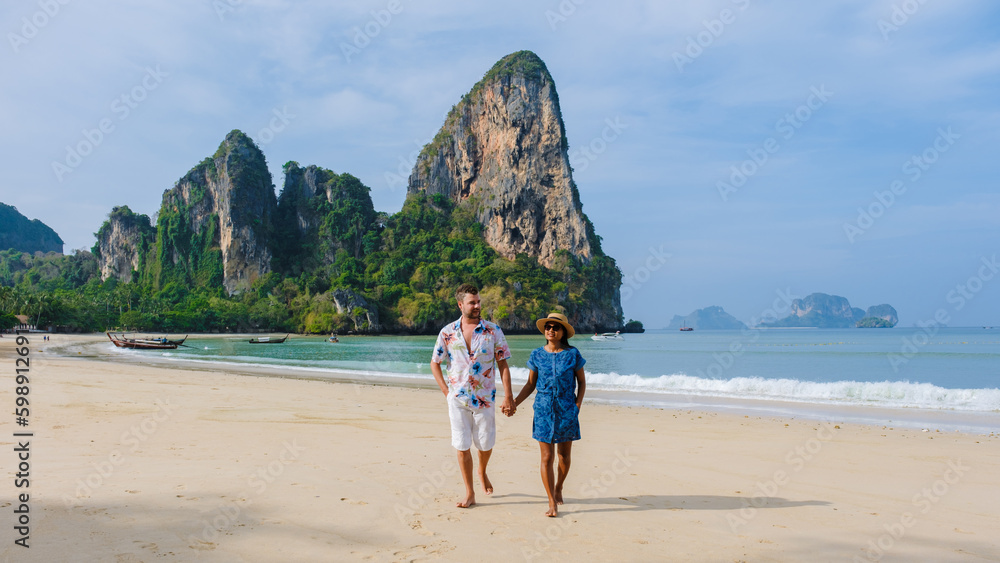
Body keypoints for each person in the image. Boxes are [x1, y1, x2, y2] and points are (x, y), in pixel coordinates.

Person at [430, 283, 514, 508]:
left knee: (485, 444)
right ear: (460, 305)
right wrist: (447, 392)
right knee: (462, 444)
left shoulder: (493, 331)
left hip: (485, 397)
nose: (477, 306)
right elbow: (435, 362)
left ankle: (482, 470)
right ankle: (469, 492)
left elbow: (503, 364)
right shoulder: (447, 332)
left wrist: (509, 396)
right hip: (457, 399)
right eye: (472, 302)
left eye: (478, 302)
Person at [512, 312, 587, 517]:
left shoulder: (572, 354)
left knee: (564, 456)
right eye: (548, 327)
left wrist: (577, 405)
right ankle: (551, 501)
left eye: (555, 327)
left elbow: (581, 382)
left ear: (563, 332)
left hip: (566, 409)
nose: (551, 330)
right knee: (547, 457)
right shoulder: (537, 354)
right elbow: (530, 384)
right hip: (544, 409)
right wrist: (515, 402)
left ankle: (559, 486)